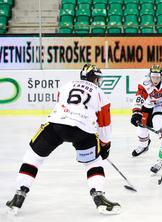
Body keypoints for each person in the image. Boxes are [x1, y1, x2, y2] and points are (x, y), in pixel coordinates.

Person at [6, 64, 120, 215]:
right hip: (84, 130)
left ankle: (18, 196)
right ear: (93, 78)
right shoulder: (100, 93)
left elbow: (61, 102)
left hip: (56, 125)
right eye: (96, 78)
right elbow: (104, 124)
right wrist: (105, 145)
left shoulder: (67, 85)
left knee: (33, 157)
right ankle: (99, 198)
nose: (97, 81)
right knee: (93, 163)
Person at [130, 65, 162, 157]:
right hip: (147, 106)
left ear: (161, 76)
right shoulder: (145, 84)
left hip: (161, 105)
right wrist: (136, 111)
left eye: (157, 77)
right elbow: (139, 97)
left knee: (159, 124)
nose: (155, 79)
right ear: (150, 75)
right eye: (153, 77)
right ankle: (143, 146)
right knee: (141, 130)